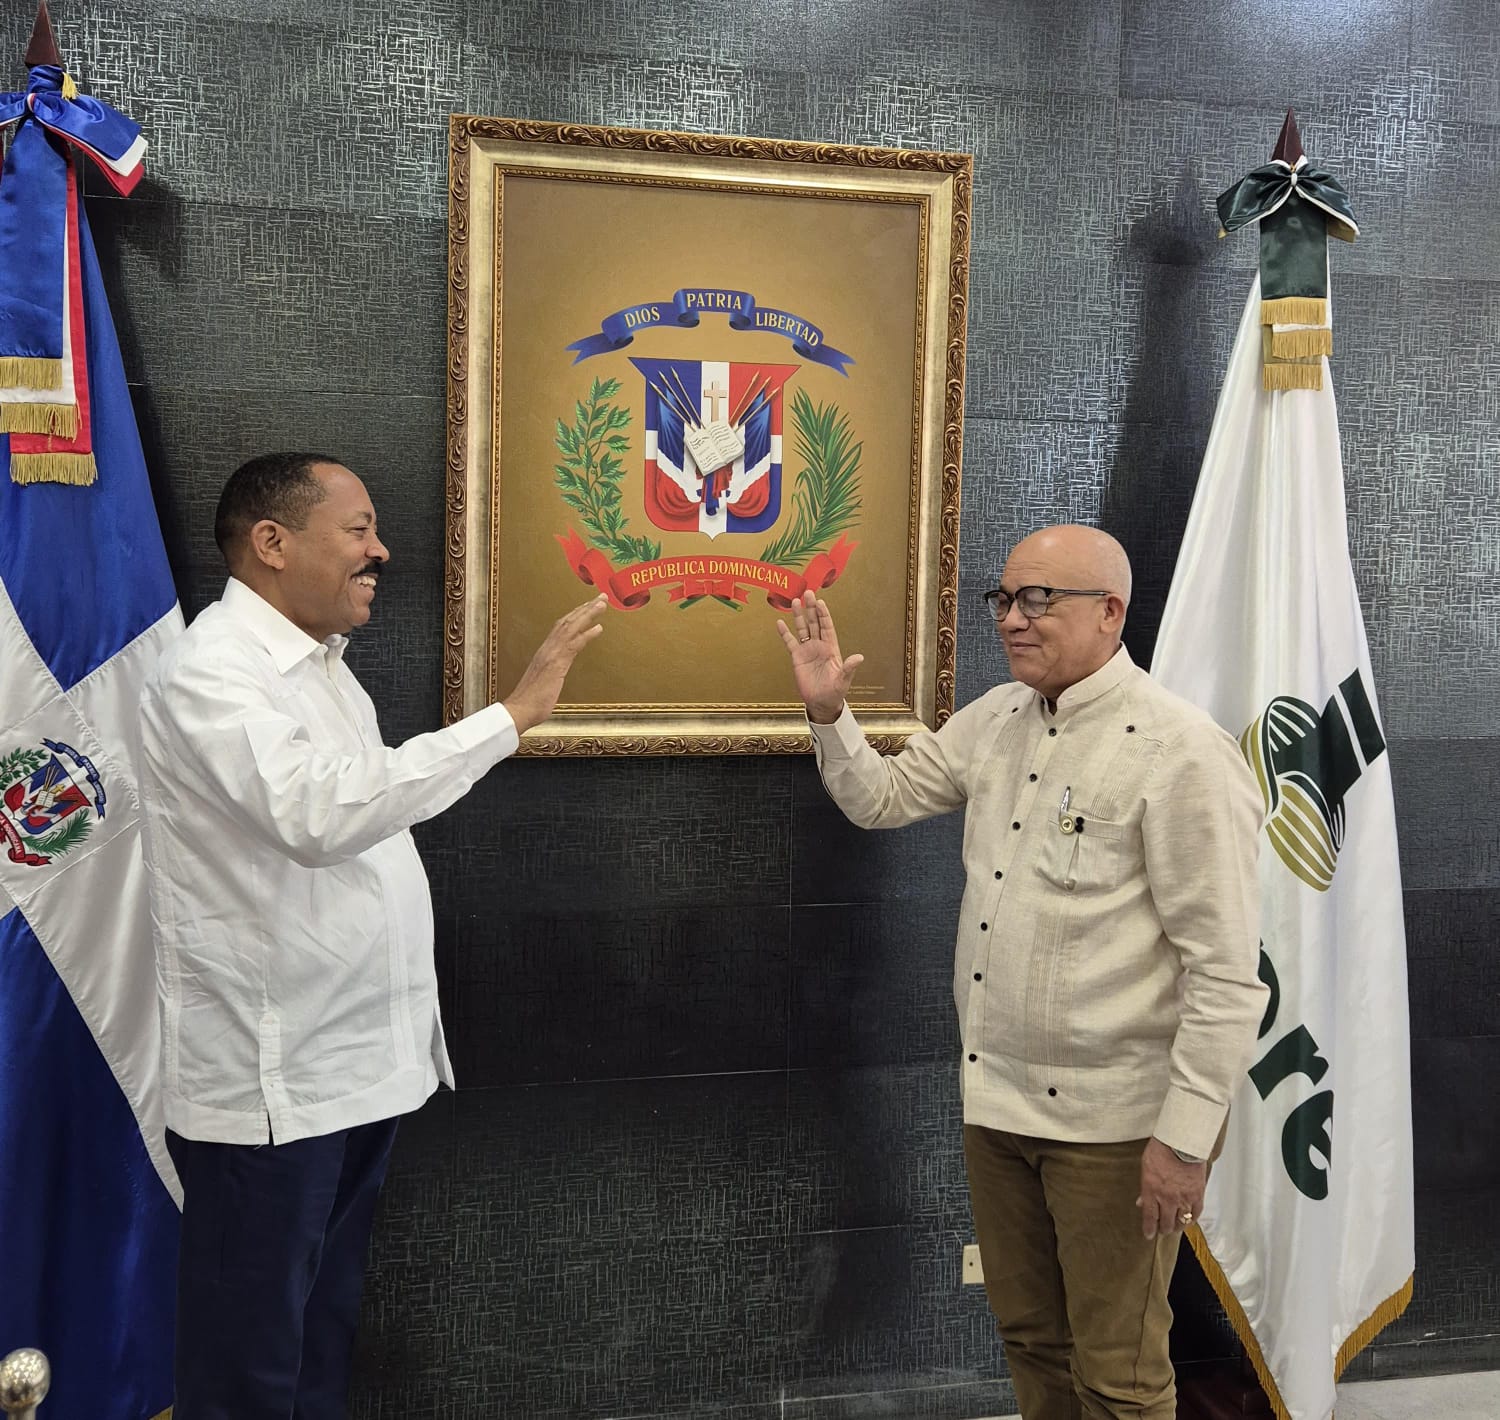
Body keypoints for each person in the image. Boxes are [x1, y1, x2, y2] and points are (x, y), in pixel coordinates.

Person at [138, 451, 607, 1420]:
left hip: (356, 1070)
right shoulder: (211, 671)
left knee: (318, 1344)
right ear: (272, 543)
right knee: (246, 1369)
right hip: (274, 1090)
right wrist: (510, 718)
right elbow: (317, 814)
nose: (381, 551)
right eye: (358, 529)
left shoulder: (329, 675)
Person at [776, 524, 1267, 1420]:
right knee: (1032, 1340)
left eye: (1038, 599)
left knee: (1119, 1375)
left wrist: (1186, 1140)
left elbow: (1228, 975)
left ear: (1110, 612)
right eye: (1003, 599)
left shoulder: (1184, 752)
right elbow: (880, 799)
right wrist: (828, 714)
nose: (1011, 619)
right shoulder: (998, 718)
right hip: (995, 1105)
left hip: (1116, 1129)